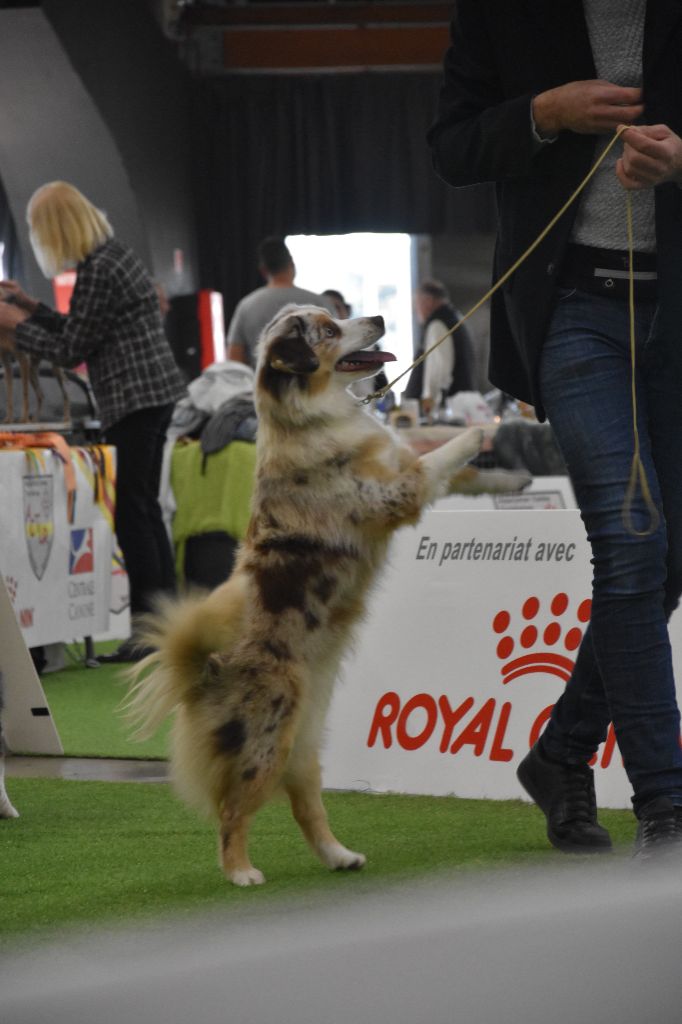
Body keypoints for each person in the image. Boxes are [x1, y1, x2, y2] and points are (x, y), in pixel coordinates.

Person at [428, 1, 682, 860]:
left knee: (665, 564)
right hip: (573, 309)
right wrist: (543, 114)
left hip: (675, 318)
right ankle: (668, 809)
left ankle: (561, 753)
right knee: (633, 543)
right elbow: (452, 144)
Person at [0, 181, 187, 663]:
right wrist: (28, 305)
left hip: (135, 398)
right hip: (152, 395)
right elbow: (80, 328)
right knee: (144, 510)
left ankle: (149, 632)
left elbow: (69, 351)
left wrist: (12, 324)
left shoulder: (99, 269)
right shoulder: (109, 257)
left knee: (132, 513)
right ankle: (168, 626)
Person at [226, 237, 336, 367]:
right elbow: (337, 348)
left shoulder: (246, 305)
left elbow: (234, 358)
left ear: (263, 270)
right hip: (314, 386)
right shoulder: (319, 303)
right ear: (292, 265)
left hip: (262, 385)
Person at [403, 278, 476, 418]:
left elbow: (437, 372)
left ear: (428, 301)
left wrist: (430, 408)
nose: (416, 311)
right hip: (460, 406)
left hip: (445, 412)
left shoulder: (438, 325)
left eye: (416, 304)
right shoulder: (455, 318)